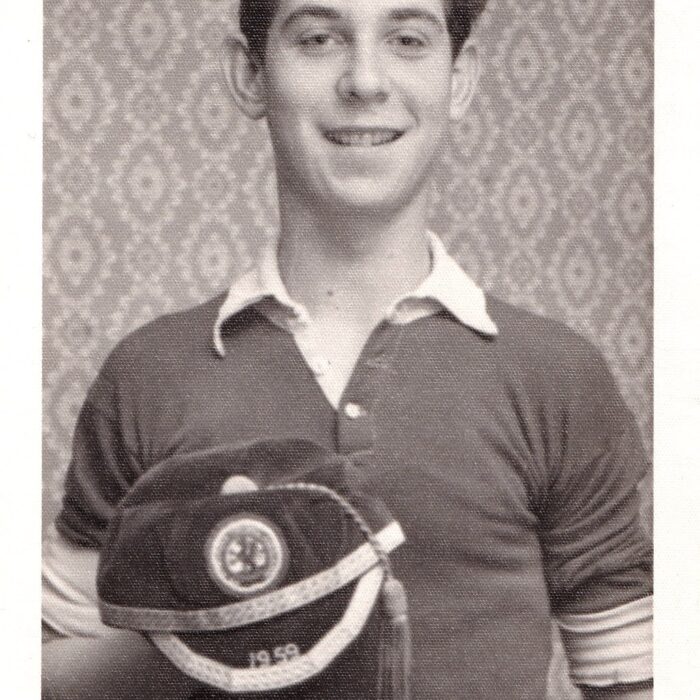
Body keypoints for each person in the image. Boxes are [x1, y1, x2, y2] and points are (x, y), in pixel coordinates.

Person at [42, 0, 653, 698]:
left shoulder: (557, 375)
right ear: (250, 75)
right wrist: (219, 627)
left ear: (459, 80)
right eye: (318, 38)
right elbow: (43, 662)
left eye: (407, 39)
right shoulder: (148, 374)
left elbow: (633, 674)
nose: (365, 80)